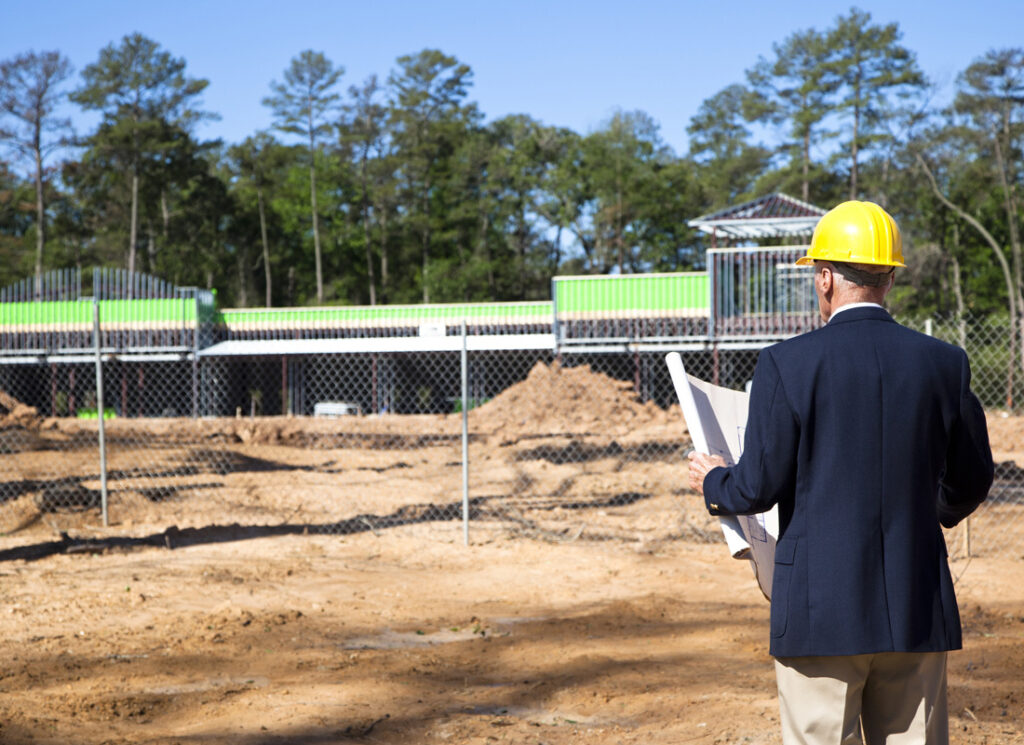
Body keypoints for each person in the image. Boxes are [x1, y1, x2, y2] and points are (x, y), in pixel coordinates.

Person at [687, 200, 993, 745]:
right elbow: (972, 480)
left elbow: (757, 486)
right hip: (915, 606)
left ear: (825, 277)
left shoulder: (787, 362)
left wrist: (714, 482)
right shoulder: (945, 363)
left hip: (817, 613)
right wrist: (931, 513)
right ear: (890, 275)